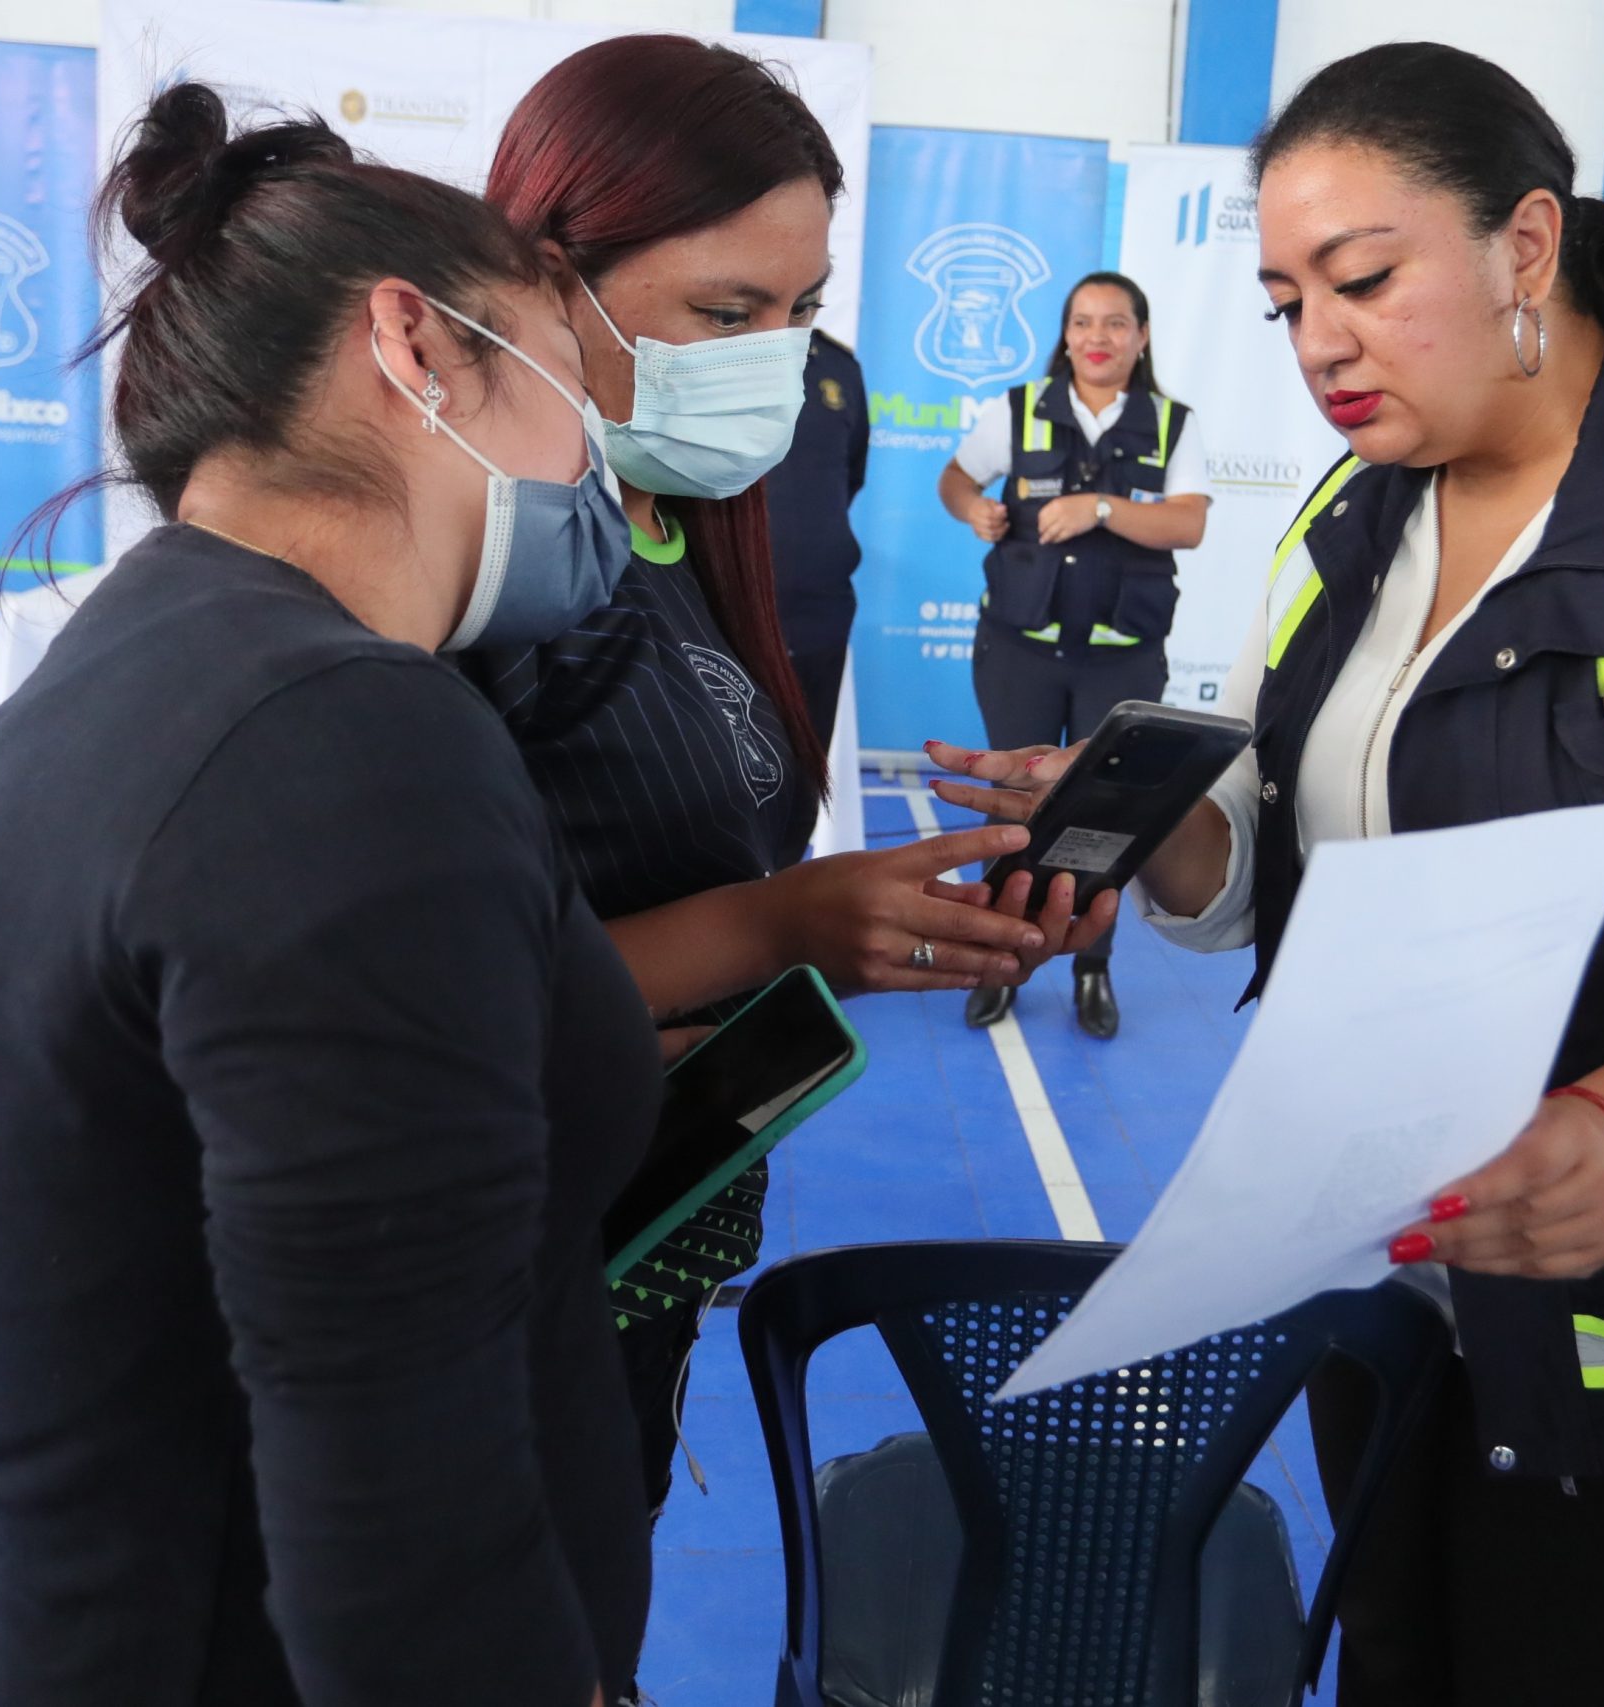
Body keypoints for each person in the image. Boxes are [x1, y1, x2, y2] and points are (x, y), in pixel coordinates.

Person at [931, 42, 1604, 1707]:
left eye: (1362, 277)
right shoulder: (1356, 513)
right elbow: (1271, 861)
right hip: (1402, 1253)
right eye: (1285, 301)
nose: (1320, 341)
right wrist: (1153, 826)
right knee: (1400, 1664)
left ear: (1526, 249)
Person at [0, 86, 659, 1706]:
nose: (594, 462)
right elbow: (390, 1454)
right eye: (566, 390)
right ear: (417, 347)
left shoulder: (141, 659)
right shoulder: (346, 741)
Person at [472, 33, 1114, 1569]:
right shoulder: (478, 583)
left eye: (801, 308)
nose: (774, 353)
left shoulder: (687, 535)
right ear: (549, 273)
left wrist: (893, 930)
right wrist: (779, 920)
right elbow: (433, 995)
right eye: (726, 310)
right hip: (501, 1274)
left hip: (654, 1218)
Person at [937, 270, 1212, 1040]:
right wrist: (975, 510)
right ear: (1065, 334)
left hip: (1121, 662)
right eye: (1083, 322)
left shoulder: (1171, 423)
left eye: (1116, 323)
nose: (1098, 337)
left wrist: (1098, 508)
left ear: (1142, 337)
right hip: (1018, 652)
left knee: (1109, 824)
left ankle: (1093, 968)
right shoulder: (1019, 409)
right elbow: (955, 478)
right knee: (1018, 813)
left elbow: (1187, 524)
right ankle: (1000, 961)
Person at [766, 326, 870, 767]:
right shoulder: (709, 351)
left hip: (820, 611)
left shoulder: (838, 366)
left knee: (803, 785)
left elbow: (851, 473)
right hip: (723, 613)